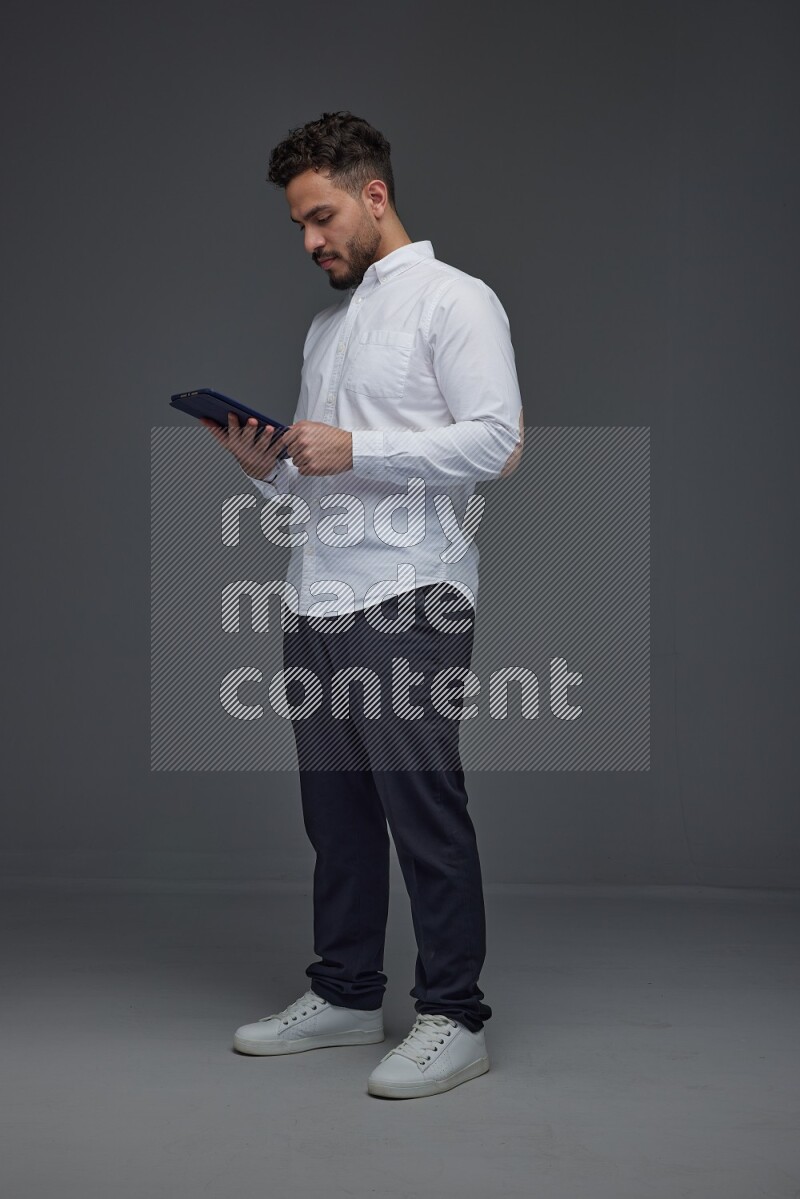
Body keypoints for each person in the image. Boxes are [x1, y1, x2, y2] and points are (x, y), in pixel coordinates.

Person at [203, 110, 524, 1099]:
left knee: (420, 807)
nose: (310, 241)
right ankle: (344, 991)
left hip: (408, 596)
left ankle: (453, 1013)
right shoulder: (327, 326)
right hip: (317, 597)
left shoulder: (454, 301)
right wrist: (267, 470)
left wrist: (358, 448)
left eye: (321, 216)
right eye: (300, 224)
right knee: (334, 815)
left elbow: (499, 441)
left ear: (372, 194)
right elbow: (319, 482)